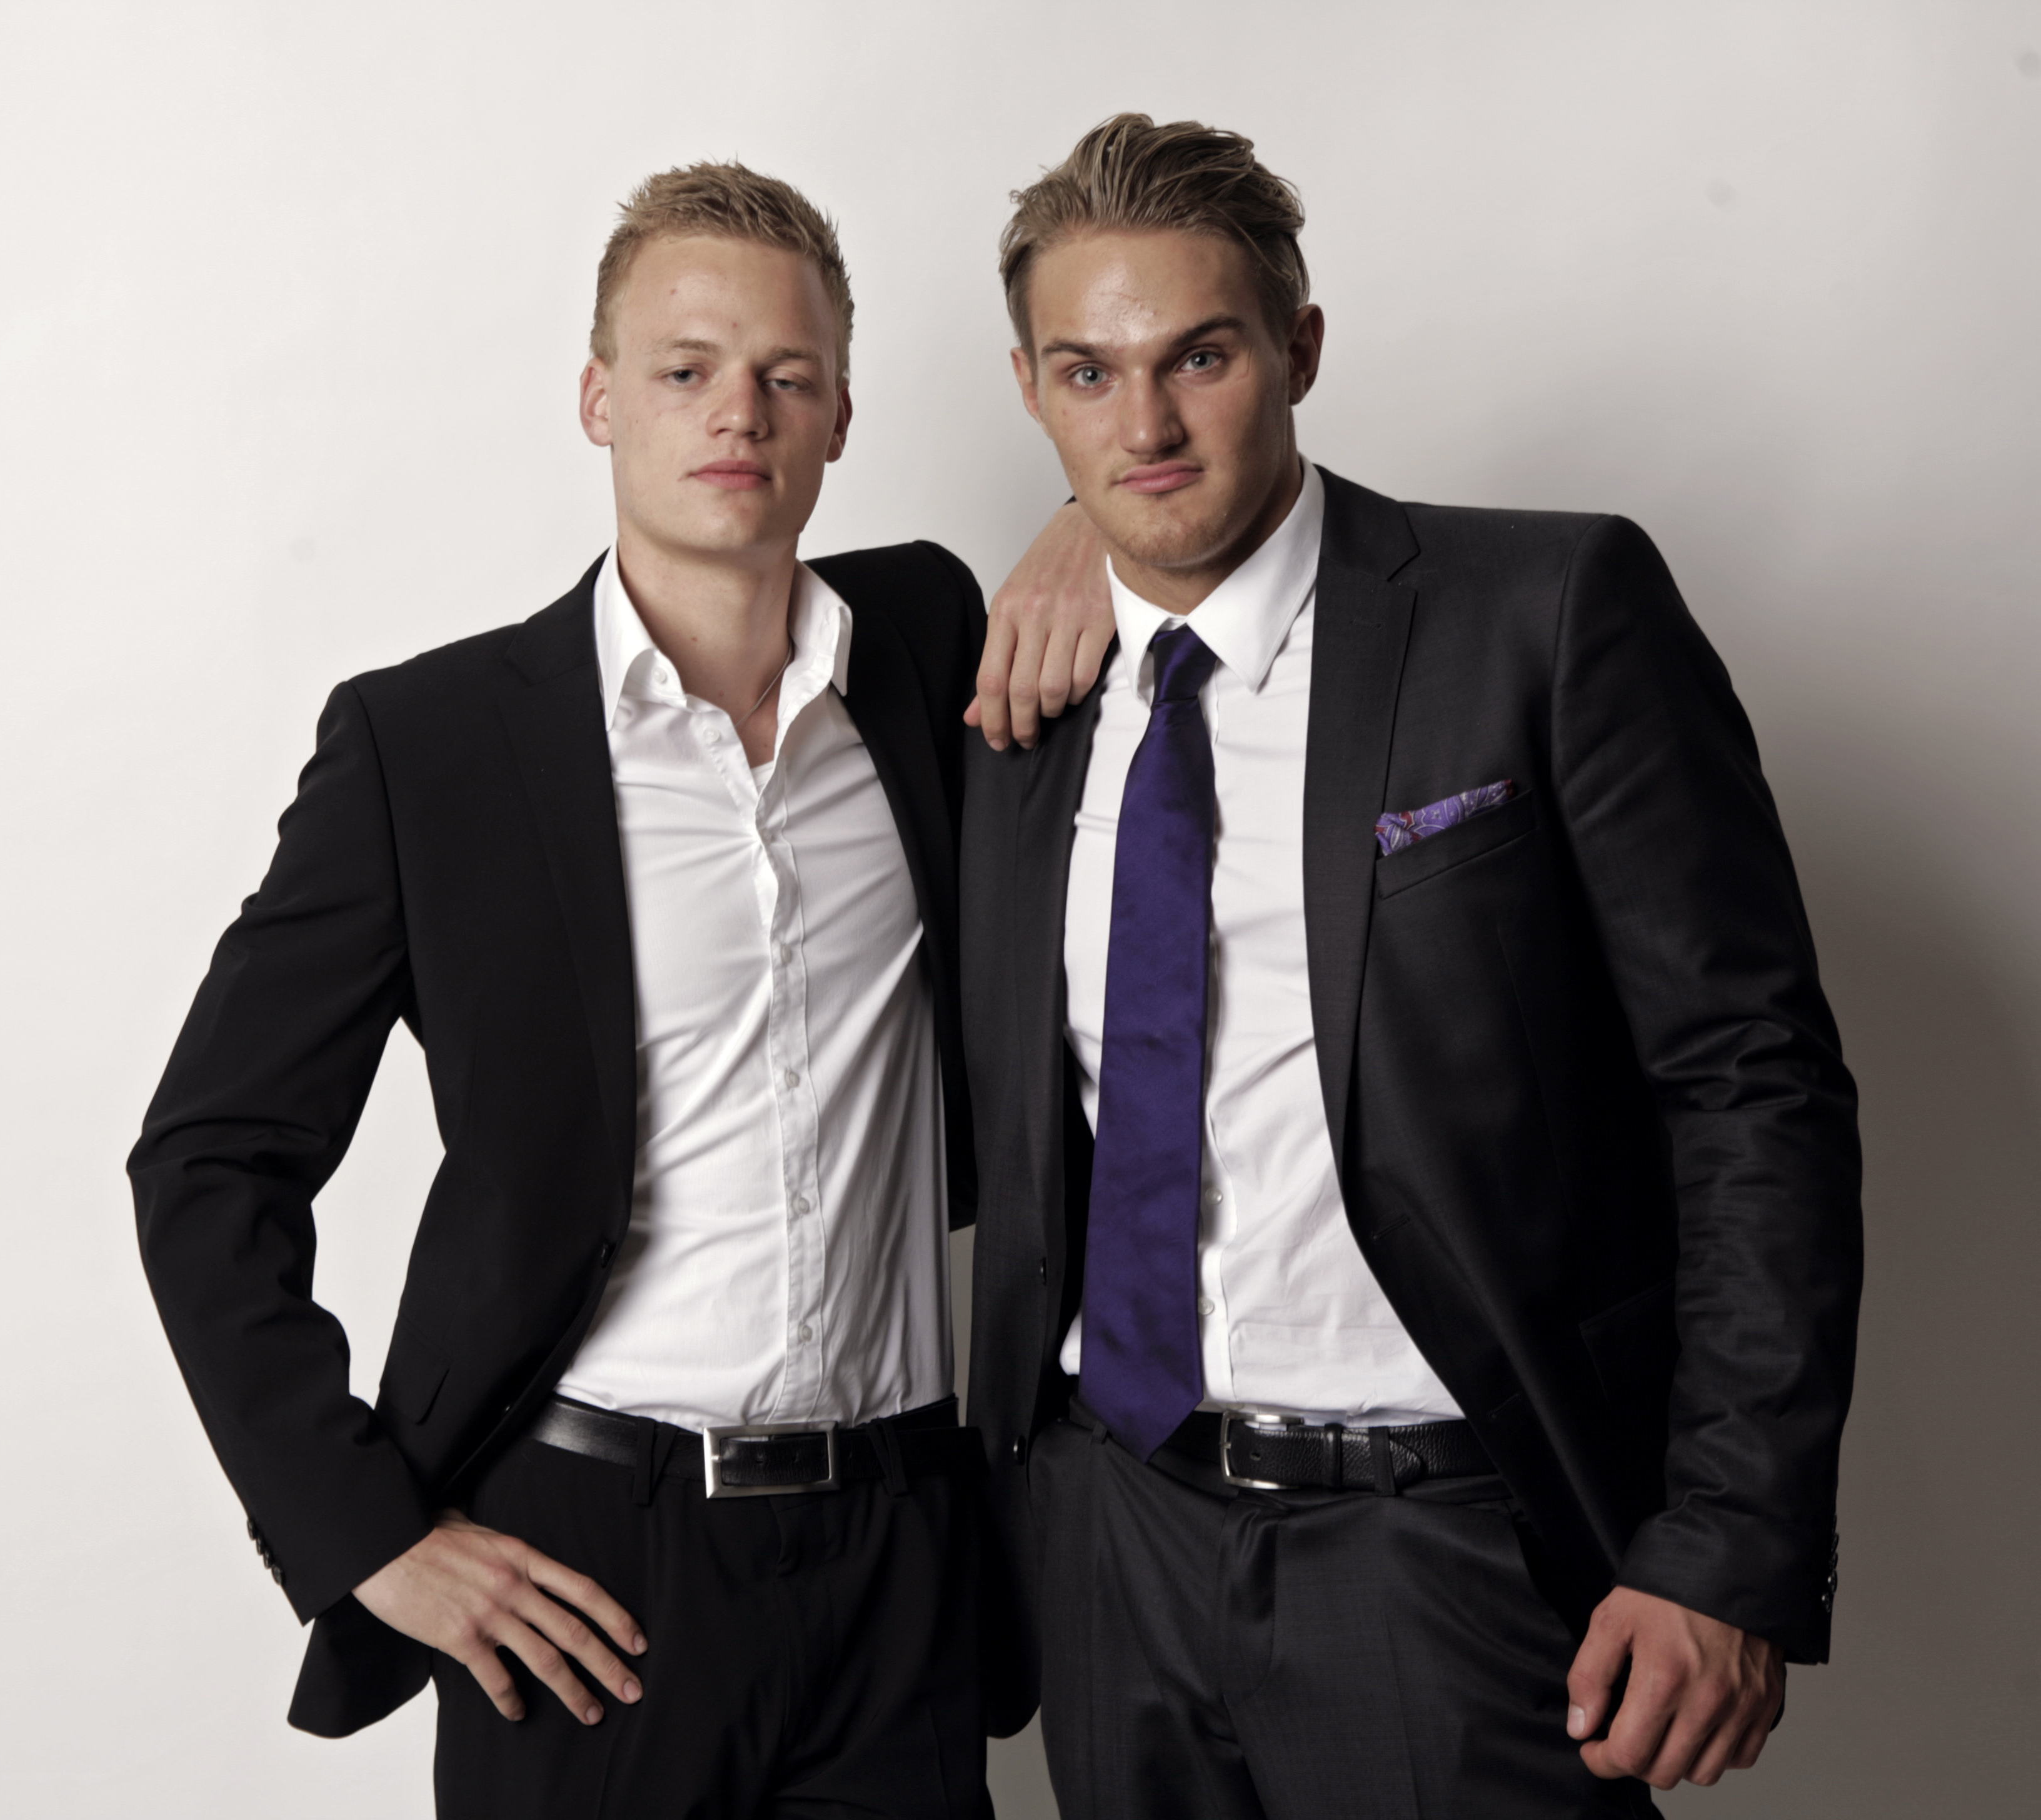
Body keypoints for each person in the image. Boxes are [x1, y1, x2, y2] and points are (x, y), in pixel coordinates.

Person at [129, 162, 1105, 1818]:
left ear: (842, 414)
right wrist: (367, 1537)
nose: (740, 412)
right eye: (685, 369)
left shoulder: (930, 645)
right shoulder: (432, 748)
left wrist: (1085, 525)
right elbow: (208, 1158)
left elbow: (1140, 535)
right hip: (586, 1568)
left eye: (787, 375)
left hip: (904, 1554)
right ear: (598, 399)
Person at [958, 114, 1863, 1817]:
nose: (1145, 426)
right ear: (1030, 391)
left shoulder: (1545, 609)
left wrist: (1731, 1540)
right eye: (1089, 374)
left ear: (1300, 348)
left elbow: (1751, 1085)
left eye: (1201, 357)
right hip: (1109, 1538)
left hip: (1445, 1545)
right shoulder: (1016, 700)